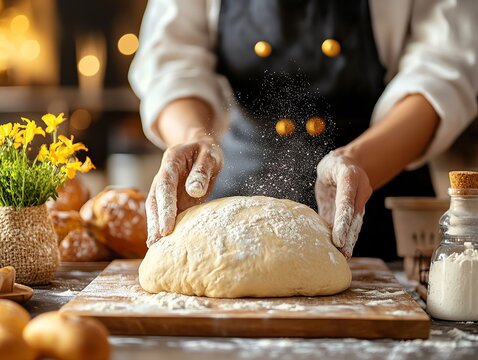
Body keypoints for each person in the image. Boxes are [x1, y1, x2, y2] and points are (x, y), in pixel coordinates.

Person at [130, 0, 478, 260]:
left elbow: (444, 70)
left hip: (374, 191)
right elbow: (171, 60)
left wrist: (358, 162)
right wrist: (193, 137)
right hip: (232, 202)